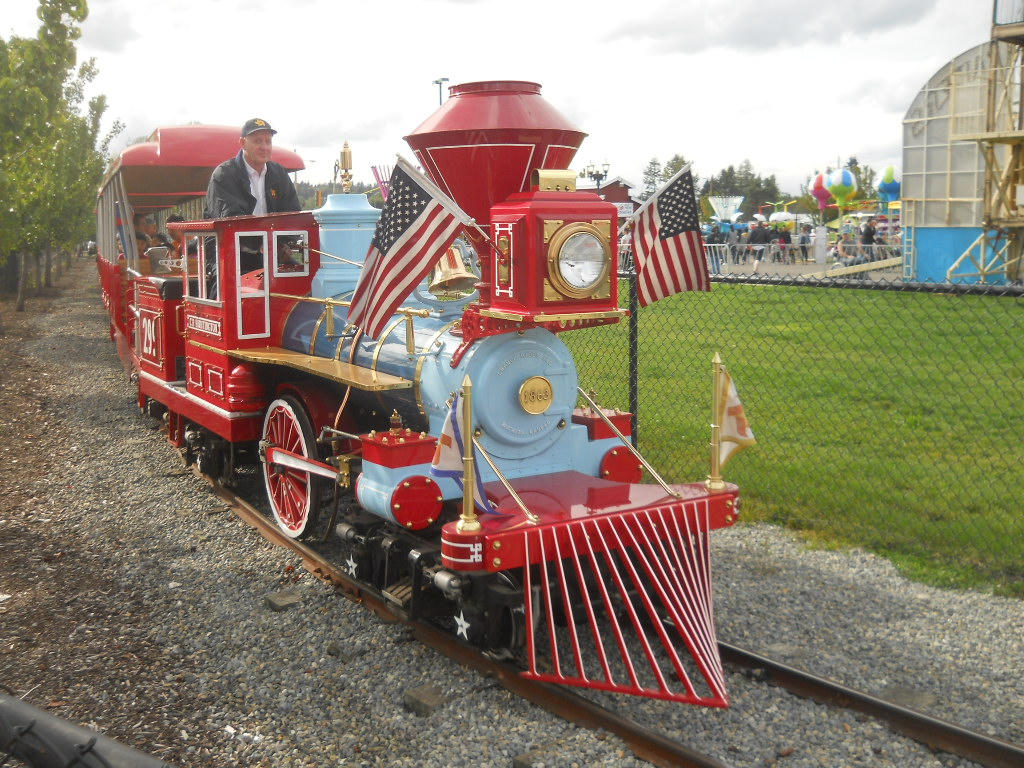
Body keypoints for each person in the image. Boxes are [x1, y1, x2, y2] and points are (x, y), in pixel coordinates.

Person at [203, 118, 301, 219]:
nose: (264, 147)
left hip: (275, 235)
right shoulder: (224, 175)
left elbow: (293, 216)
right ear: (242, 143)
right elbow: (230, 221)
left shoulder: (280, 174)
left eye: (268, 141)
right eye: (258, 141)